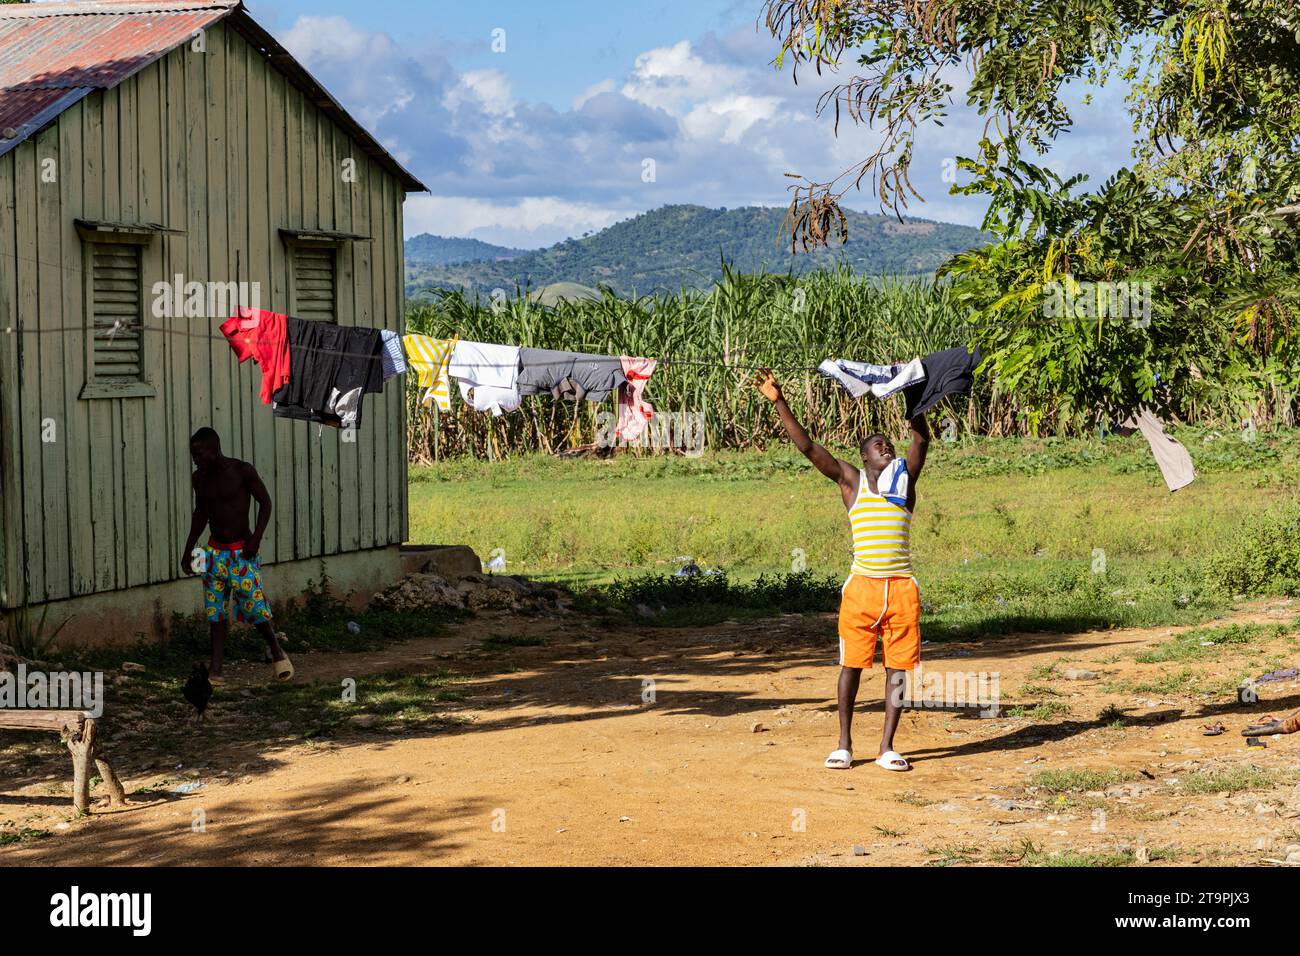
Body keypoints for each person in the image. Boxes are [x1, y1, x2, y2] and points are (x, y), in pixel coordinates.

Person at [756, 370, 929, 771]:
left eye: (888, 444)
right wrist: (779, 400)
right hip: (862, 589)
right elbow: (808, 447)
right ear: (864, 457)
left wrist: (913, 394)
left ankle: (887, 747)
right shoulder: (851, 483)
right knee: (852, 664)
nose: (886, 447)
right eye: (877, 446)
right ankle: (844, 744)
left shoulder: (905, 482)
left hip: (901, 588)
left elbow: (920, 439)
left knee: (898, 668)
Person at [180, 427, 292, 683]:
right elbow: (200, 515)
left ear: (214, 448)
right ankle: (216, 668)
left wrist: (255, 539)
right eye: (193, 455)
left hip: (241, 552)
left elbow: (266, 502)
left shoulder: (242, 471)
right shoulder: (200, 479)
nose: (196, 459)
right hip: (213, 553)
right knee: (215, 611)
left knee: (254, 607)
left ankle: (276, 651)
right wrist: (188, 550)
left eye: (200, 453)